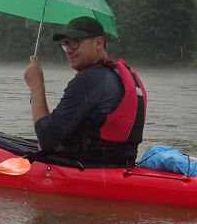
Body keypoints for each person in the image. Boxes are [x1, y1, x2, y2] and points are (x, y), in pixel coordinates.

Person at [23, 16, 147, 166]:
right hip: (121, 165)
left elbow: (46, 139)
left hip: (86, 169)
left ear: (98, 43)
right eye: (65, 44)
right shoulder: (121, 74)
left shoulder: (91, 79)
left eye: (75, 42)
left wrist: (36, 86)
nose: (68, 50)